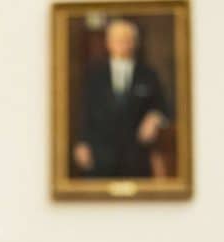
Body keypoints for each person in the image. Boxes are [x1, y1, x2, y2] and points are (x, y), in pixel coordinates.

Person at [72, 19, 169, 178]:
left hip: (136, 157)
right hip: (100, 156)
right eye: (117, 39)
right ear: (108, 43)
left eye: (126, 39)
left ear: (135, 42)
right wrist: (82, 142)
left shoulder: (148, 75)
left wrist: (155, 117)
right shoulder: (95, 75)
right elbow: (85, 111)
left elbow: (164, 108)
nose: (122, 43)